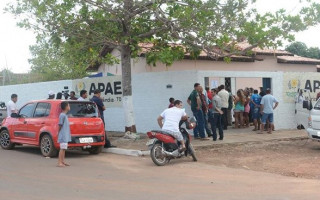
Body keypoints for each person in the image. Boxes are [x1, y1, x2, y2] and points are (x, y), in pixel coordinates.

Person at [57, 101, 71, 167]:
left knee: (64, 148)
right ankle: (59, 162)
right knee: (62, 149)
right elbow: (60, 125)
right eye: (68, 105)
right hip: (63, 135)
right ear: (66, 107)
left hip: (65, 135)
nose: (69, 107)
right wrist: (58, 132)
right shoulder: (62, 115)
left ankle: (63, 161)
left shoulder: (65, 115)